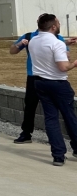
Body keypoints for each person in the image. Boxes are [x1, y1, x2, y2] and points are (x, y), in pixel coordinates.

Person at [11, 19, 77, 145]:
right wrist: (20, 45)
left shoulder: (58, 39)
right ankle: (26, 133)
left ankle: (59, 147)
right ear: (51, 26)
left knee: (52, 115)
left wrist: (64, 47)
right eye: (57, 23)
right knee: (31, 106)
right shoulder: (30, 37)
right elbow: (12, 50)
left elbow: (66, 55)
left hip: (47, 79)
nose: (59, 25)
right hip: (35, 77)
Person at [26, 13, 77, 165]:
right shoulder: (57, 43)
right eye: (58, 23)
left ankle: (58, 156)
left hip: (39, 83)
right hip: (58, 84)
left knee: (51, 119)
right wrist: (74, 63)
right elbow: (63, 67)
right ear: (53, 26)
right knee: (69, 117)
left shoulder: (33, 41)